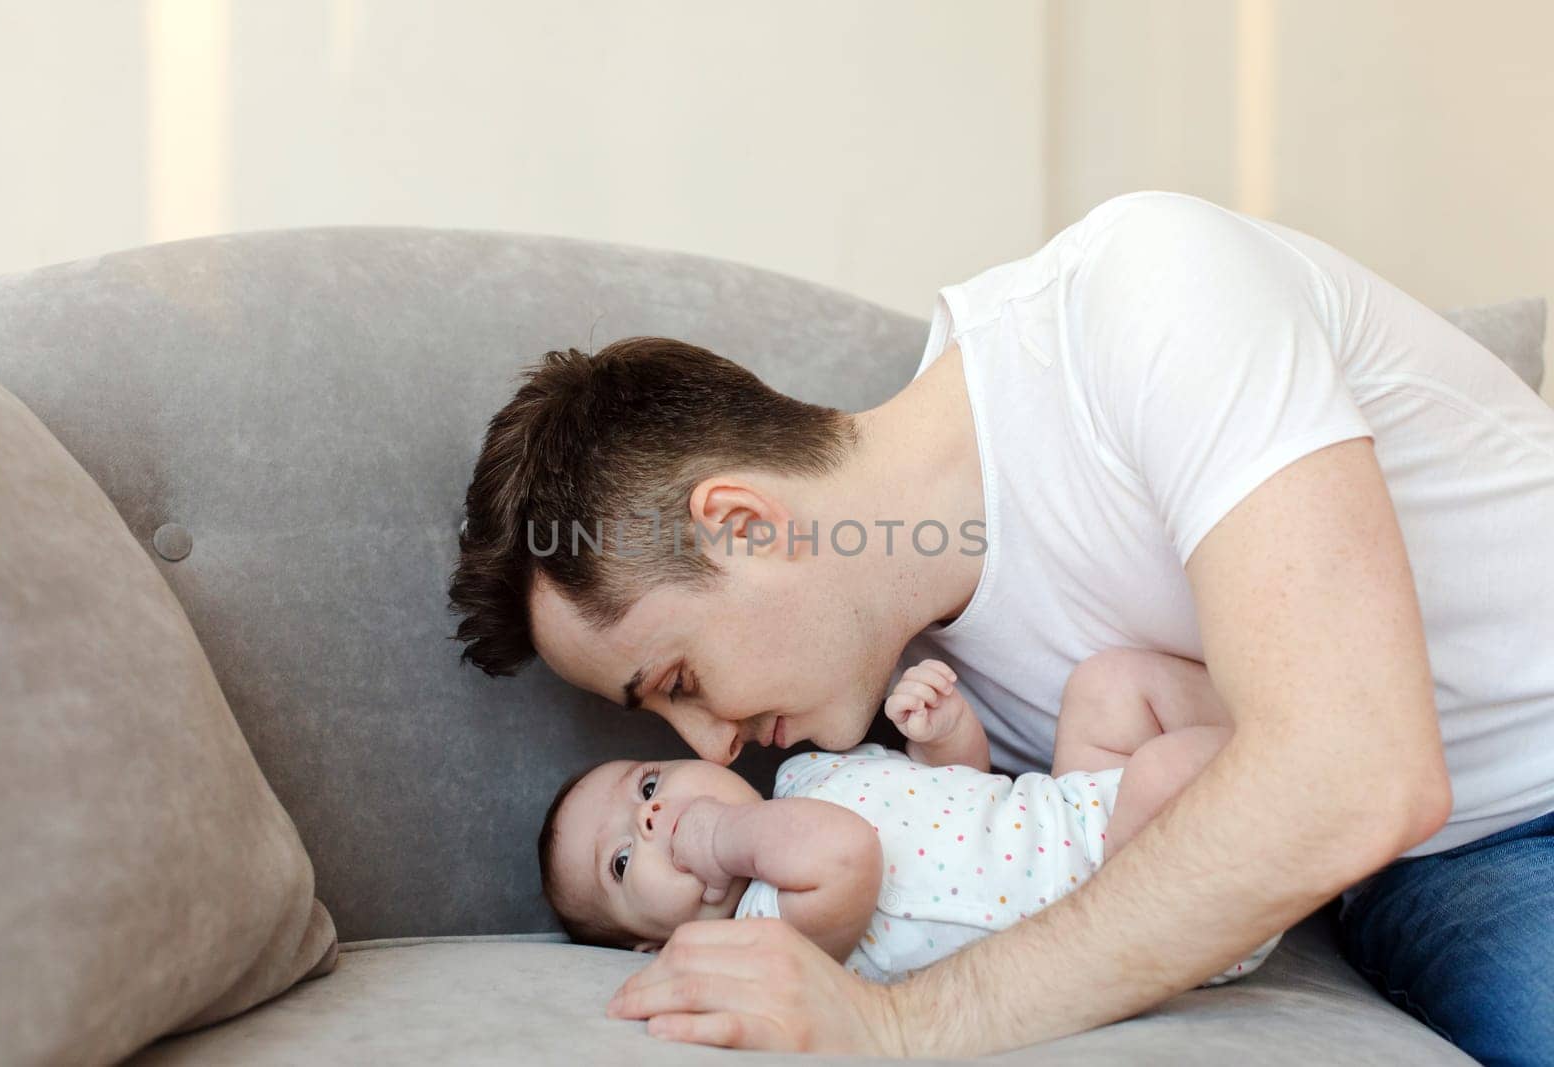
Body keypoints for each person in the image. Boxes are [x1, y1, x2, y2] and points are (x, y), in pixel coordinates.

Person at [448, 191, 1554, 1062]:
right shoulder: (921, 692)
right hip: (1439, 868)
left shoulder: (1145, 293)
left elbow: (1352, 770)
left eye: (677, 677)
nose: (711, 745)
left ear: (741, 524)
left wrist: (903, 1027)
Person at [538, 653, 1277, 985]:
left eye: (649, 785)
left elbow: (964, 790)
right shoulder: (769, 935)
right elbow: (845, 855)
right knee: (1165, 772)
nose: (654, 819)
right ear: (650, 945)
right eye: (622, 863)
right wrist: (712, 837)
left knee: (1109, 684)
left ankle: (1294, 711)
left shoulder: (809, 770)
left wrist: (941, 731)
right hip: (1138, 910)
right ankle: (1316, 758)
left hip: (1069, 812)